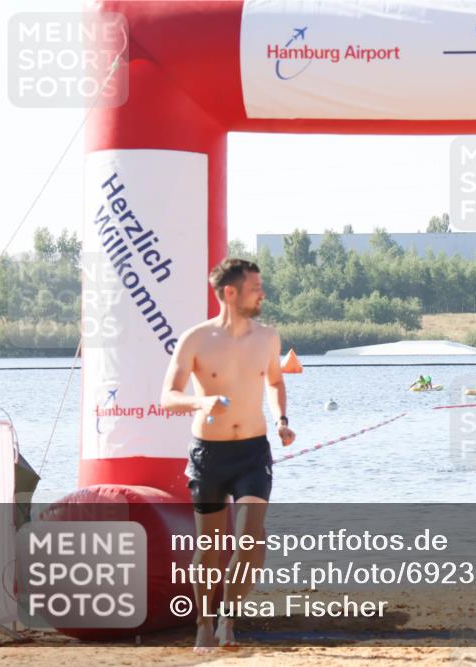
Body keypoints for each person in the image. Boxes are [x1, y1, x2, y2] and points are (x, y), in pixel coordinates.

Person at [160, 258, 296, 653]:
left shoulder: (268, 337)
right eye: (255, 287)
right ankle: (203, 622)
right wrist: (200, 402)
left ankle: (227, 619)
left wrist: (282, 419)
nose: (262, 293)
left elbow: (274, 381)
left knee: (251, 541)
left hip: (253, 450)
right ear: (231, 293)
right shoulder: (196, 339)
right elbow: (167, 396)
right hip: (209, 455)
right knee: (211, 545)